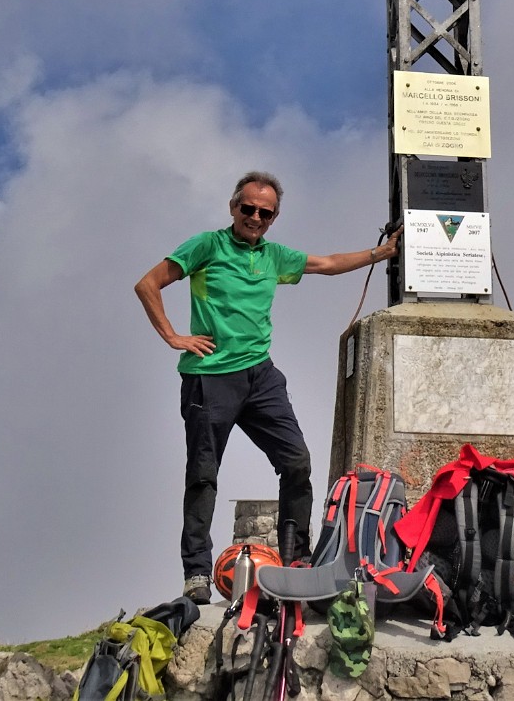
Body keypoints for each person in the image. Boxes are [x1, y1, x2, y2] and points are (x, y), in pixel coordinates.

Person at [134, 170, 402, 604]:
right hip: (210, 376)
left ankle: (295, 562)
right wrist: (174, 337)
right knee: (203, 475)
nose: (255, 217)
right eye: (248, 209)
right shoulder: (207, 246)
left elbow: (328, 264)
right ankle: (197, 573)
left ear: (274, 218)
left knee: (296, 462)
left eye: (265, 212)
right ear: (233, 207)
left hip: (260, 376)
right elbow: (148, 284)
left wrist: (382, 252)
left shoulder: (274, 255)